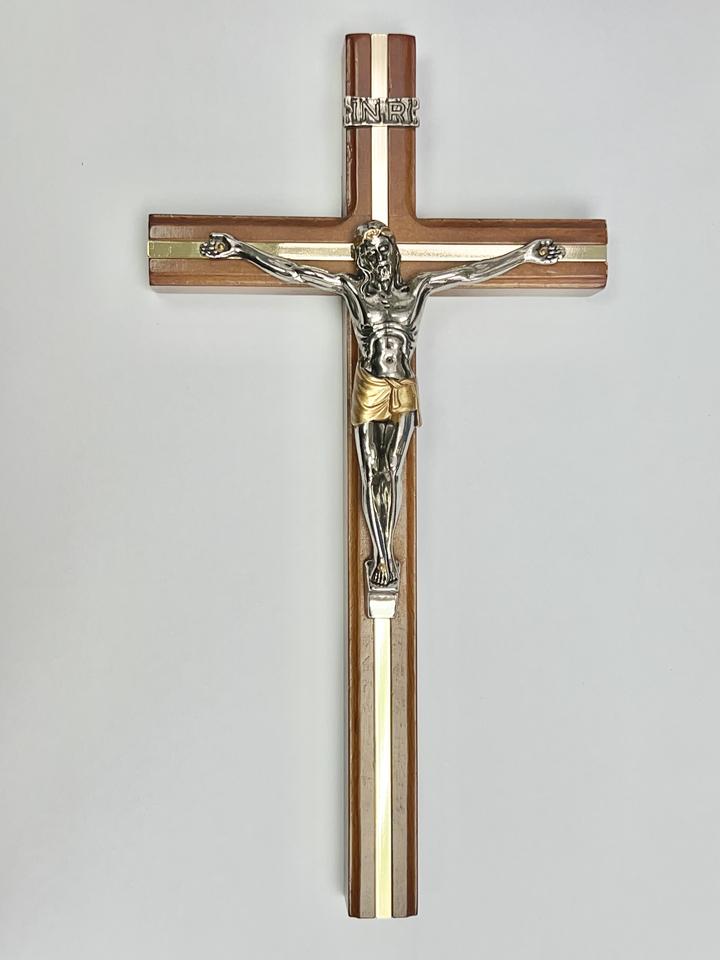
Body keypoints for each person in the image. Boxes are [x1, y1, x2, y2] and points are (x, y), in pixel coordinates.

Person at [201, 223, 564, 588]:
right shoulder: (352, 290)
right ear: (362, 260)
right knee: (372, 469)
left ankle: (385, 550)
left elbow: (469, 273)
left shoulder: (418, 289)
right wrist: (241, 250)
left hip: (403, 387)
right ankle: (382, 554)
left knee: (392, 469)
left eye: (384, 249)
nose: (379, 258)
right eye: (371, 252)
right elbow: (297, 272)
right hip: (371, 386)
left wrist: (524, 255)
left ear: (394, 251)